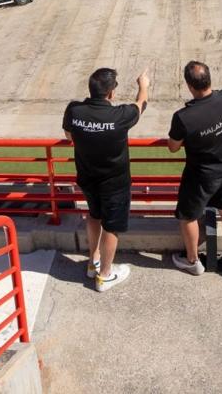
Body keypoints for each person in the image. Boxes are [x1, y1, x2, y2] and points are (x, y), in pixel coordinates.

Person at [63, 67, 150, 291]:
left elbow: (69, 136)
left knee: (94, 215)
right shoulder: (121, 115)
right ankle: (105, 275)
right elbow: (141, 104)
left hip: (87, 177)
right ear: (111, 93)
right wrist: (144, 85)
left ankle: (93, 262)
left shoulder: (74, 110)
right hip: (115, 183)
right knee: (111, 227)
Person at [167, 61, 222, 278]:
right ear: (209, 78)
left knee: (188, 216)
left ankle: (192, 261)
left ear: (189, 85)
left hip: (199, 175)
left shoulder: (184, 116)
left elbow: (173, 147)